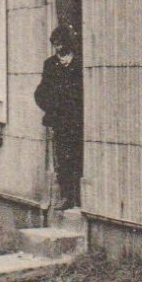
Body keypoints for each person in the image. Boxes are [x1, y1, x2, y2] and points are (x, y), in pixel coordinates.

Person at [34, 25, 84, 209]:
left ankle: (77, 196)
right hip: (60, 120)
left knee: (77, 157)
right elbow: (40, 92)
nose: (58, 48)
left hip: (77, 121)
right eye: (55, 44)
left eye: (61, 44)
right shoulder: (50, 64)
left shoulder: (79, 64)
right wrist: (51, 108)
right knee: (62, 159)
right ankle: (65, 197)